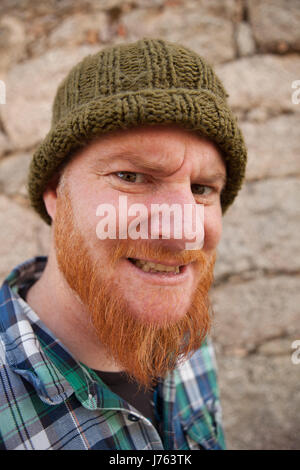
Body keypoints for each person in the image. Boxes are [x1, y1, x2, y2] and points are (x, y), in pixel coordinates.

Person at [0, 38, 247, 450]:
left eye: (203, 188)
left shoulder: (187, 335)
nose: (182, 233)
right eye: (131, 177)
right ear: (55, 194)